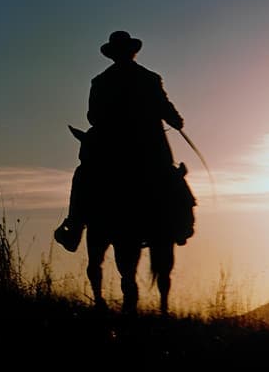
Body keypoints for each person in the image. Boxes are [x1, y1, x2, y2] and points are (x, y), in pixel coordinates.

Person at [54, 30, 186, 251]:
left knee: (83, 176)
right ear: (133, 52)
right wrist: (176, 121)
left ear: (113, 55)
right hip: (150, 146)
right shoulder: (150, 78)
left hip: (114, 148)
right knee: (173, 177)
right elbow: (165, 107)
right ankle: (178, 226)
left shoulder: (100, 81)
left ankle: (75, 227)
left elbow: (93, 116)